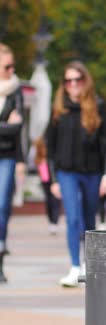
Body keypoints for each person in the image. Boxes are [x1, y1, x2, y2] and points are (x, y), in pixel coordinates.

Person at [46, 61, 106, 287]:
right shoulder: (58, 109)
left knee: (89, 219)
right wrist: (53, 179)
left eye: (77, 80)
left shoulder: (98, 106)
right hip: (66, 173)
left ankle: (89, 265)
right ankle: (75, 266)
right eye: (68, 81)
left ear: (85, 81)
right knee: (73, 218)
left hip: (92, 172)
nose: (73, 84)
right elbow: (50, 146)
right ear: (64, 84)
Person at [0, 43, 24, 283]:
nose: (11, 70)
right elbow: (10, 125)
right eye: (7, 65)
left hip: (6, 156)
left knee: (1, 207)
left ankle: (0, 259)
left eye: (13, 65)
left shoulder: (16, 90)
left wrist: (10, 127)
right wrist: (6, 125)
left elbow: (18, 127)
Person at [34, 139, 60, 236]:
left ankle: (54, 222)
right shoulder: (39, 158)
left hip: (54, 181)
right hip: (45, 182)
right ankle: (51, 221)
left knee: (55, 201)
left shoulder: (53, 156)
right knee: (48, 201)